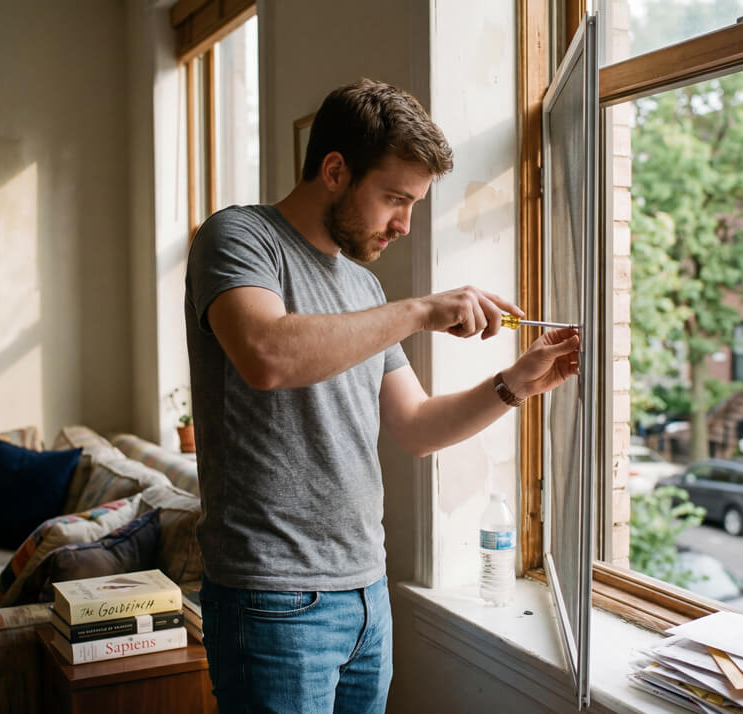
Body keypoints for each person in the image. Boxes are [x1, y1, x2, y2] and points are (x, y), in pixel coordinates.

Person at [184, 78, 581, 714]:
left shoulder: (366, 292)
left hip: (367, 592)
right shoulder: (239, 239)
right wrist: (423, 309)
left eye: (416, 203)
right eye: (395, 198)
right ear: (335, 170)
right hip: (273, 599)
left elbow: (417, 427)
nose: (403, 223)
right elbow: (267, 354)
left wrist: (515, 384)